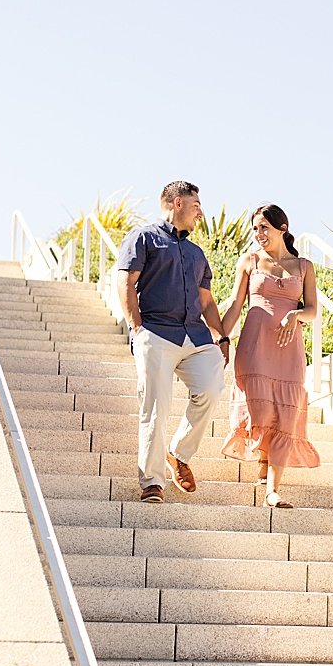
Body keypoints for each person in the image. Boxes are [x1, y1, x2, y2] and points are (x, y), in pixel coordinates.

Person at [116, 180, 230, 505]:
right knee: (156, 406)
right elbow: (125, 282)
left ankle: (177, 452)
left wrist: (221, 336)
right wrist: (137, 330)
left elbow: (207, 303)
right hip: (155, 332)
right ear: (177, 203)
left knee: (210, 388)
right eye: (196, 206)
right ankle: (152, 481)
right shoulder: (143, 238)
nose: (200, 213)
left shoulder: (197, 253)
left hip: (194, 336)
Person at [218, 204, 320, 508]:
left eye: (264, 227)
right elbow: (236, 305)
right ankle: (263, 462)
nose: (259, 234)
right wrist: (222, 337)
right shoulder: (249, 261)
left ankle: (272, 489)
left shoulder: (304, 266)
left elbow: (313, 310)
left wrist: (296, 315)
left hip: (289, 350)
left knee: (285, 414)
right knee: (260, 412)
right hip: (254, 345)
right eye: (255, 229)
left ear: (282, 228)